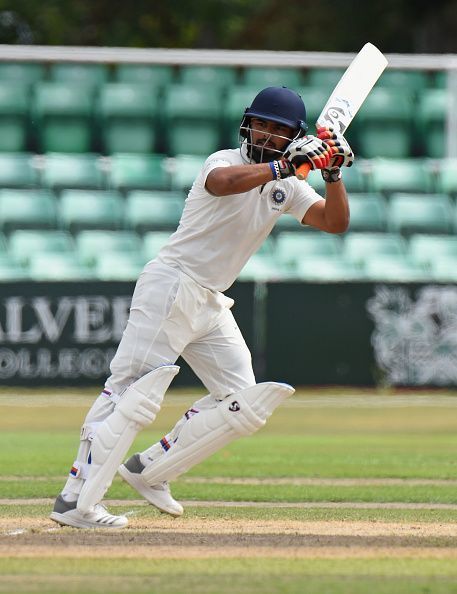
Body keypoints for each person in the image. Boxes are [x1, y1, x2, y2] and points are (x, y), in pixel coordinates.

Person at [50, 85, 353, 529]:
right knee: (130, 392)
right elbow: (223, 185)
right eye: (261, 125)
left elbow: (335, 222)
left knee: (241, 402)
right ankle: (75, 500)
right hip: (172, 285)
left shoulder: (286, 186)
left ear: (293, 135)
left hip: (210, 299)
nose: (266, 134)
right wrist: (284, 165)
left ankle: (150, 470)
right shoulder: (224, 161)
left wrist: (332, 175)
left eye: (278, 130)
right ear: (247, 125)